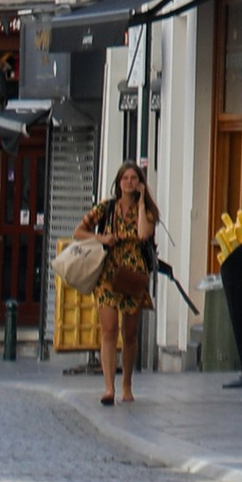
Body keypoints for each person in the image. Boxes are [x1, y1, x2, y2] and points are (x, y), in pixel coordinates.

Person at [74, 163, 158, 407]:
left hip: (133, 274)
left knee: (129, 333)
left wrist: (141, 203)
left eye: (134, 178)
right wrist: (101, 237)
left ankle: (127, 384)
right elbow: (79, 231)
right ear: (119, 182)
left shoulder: (148, 210)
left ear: (140, 183)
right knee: (109, 329)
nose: (129, 182)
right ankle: (109, 387)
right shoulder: (106, 207)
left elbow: (143, 234)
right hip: (108, 273)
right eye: (125, 178)